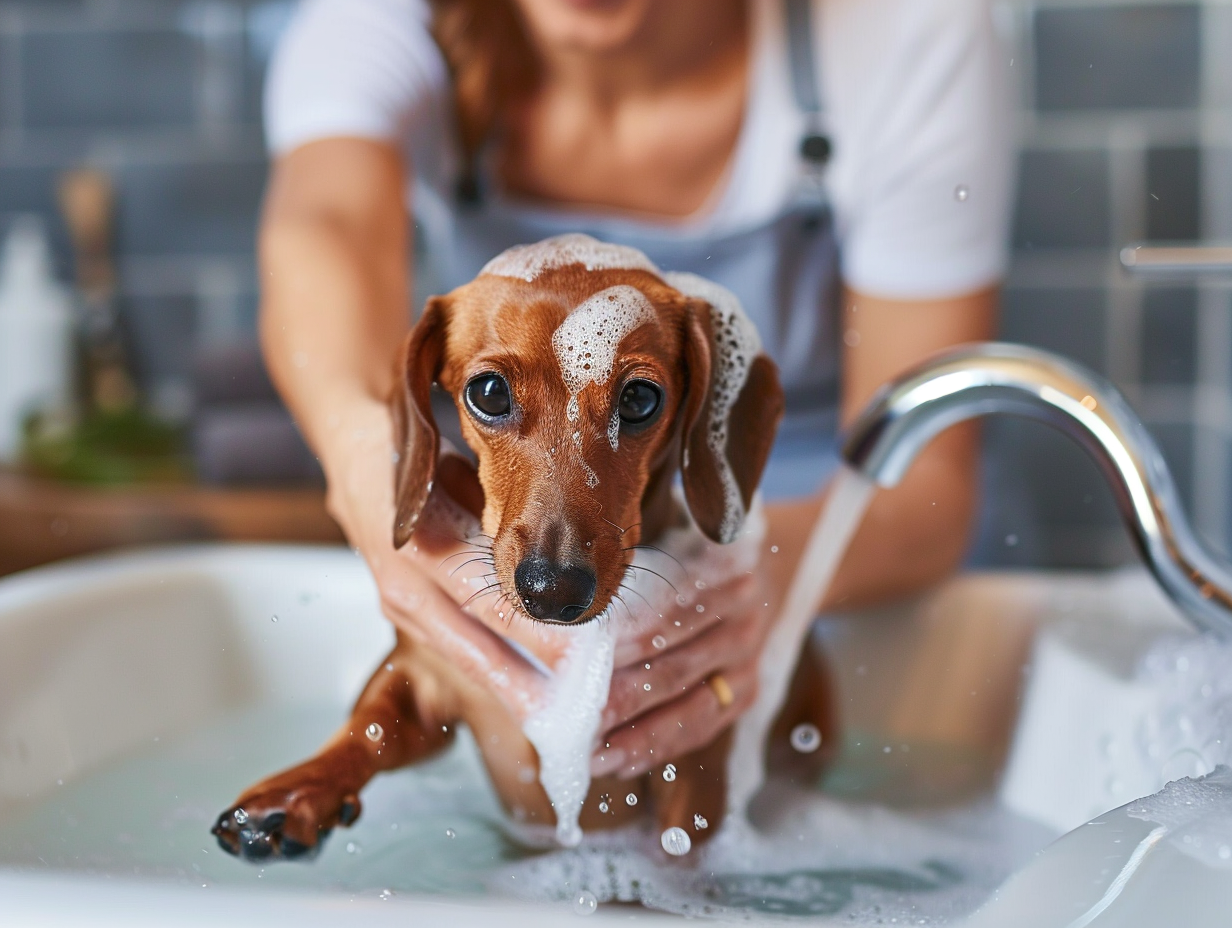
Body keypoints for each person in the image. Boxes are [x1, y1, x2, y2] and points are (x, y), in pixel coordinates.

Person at [259, 0, 1011, 782]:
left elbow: (927, 490)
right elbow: (325, 226)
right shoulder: (386, 23)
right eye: (490, 393)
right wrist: (362, 458)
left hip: (849, 577)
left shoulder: (900, 30)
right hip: (566, 553)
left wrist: (750, 579)